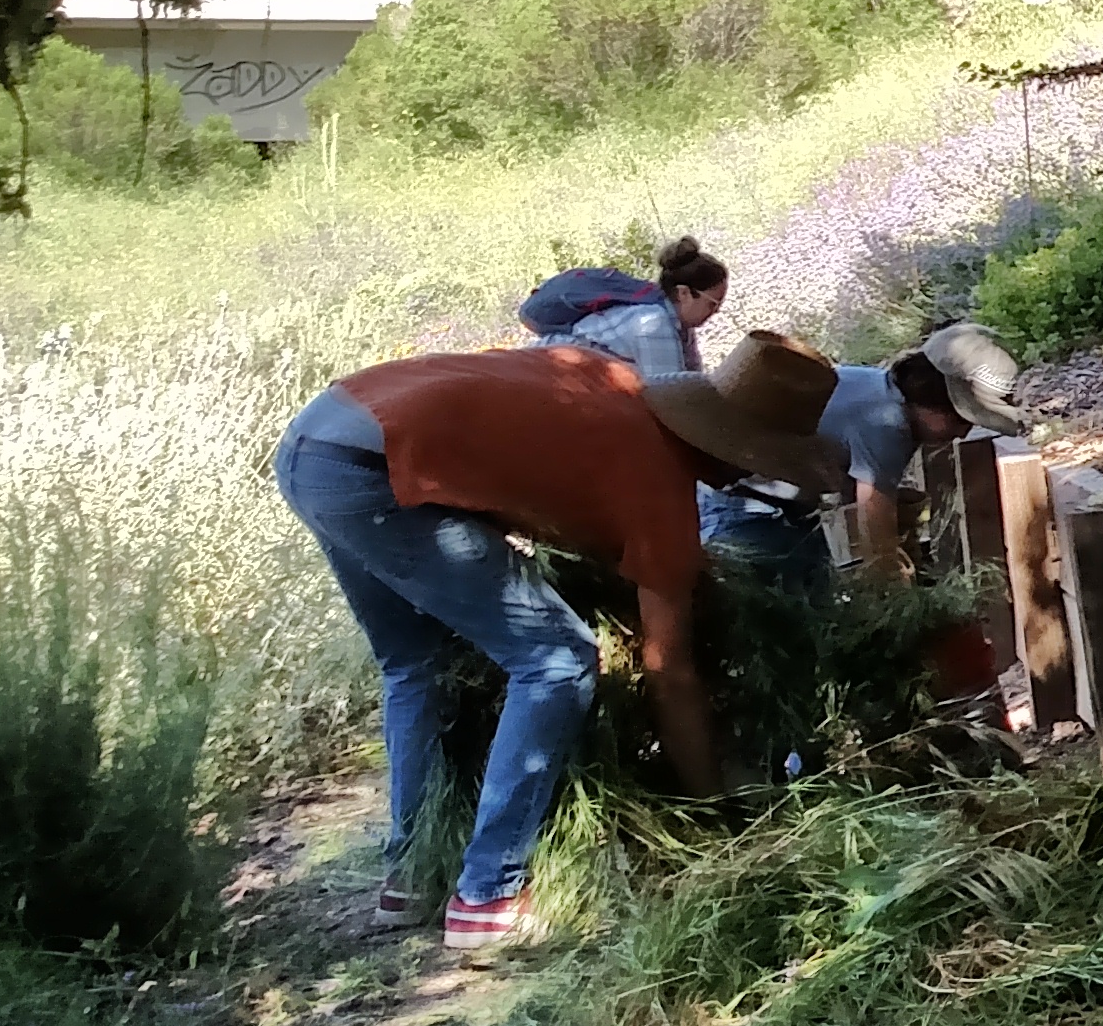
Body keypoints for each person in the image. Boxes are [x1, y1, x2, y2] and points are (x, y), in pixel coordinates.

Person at [275, 331, 846, 950]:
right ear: (741, 453)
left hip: (321, 438)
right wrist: (709, 805)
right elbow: (668, 670)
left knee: (418, 664)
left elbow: (517, 446)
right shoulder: (658, 490)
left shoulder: (608, 377)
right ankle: (487, 898)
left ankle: (412, 876)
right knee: (558, 661)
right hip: (383, 471)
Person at [815, 331, 1022, 582]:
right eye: (960, 419)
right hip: (765, 508)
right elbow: (876, 538)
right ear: (930, 401)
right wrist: (896, 595)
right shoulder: (888, 425)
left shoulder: (880, 390)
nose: (963, 432)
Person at [517, 236, 727, 381]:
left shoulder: (679, 327)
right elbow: (671, 396)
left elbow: (693, 382)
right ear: (684, 293)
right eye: (713, 303)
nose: (716, 312)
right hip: (550, 368)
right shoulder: (654, 323)